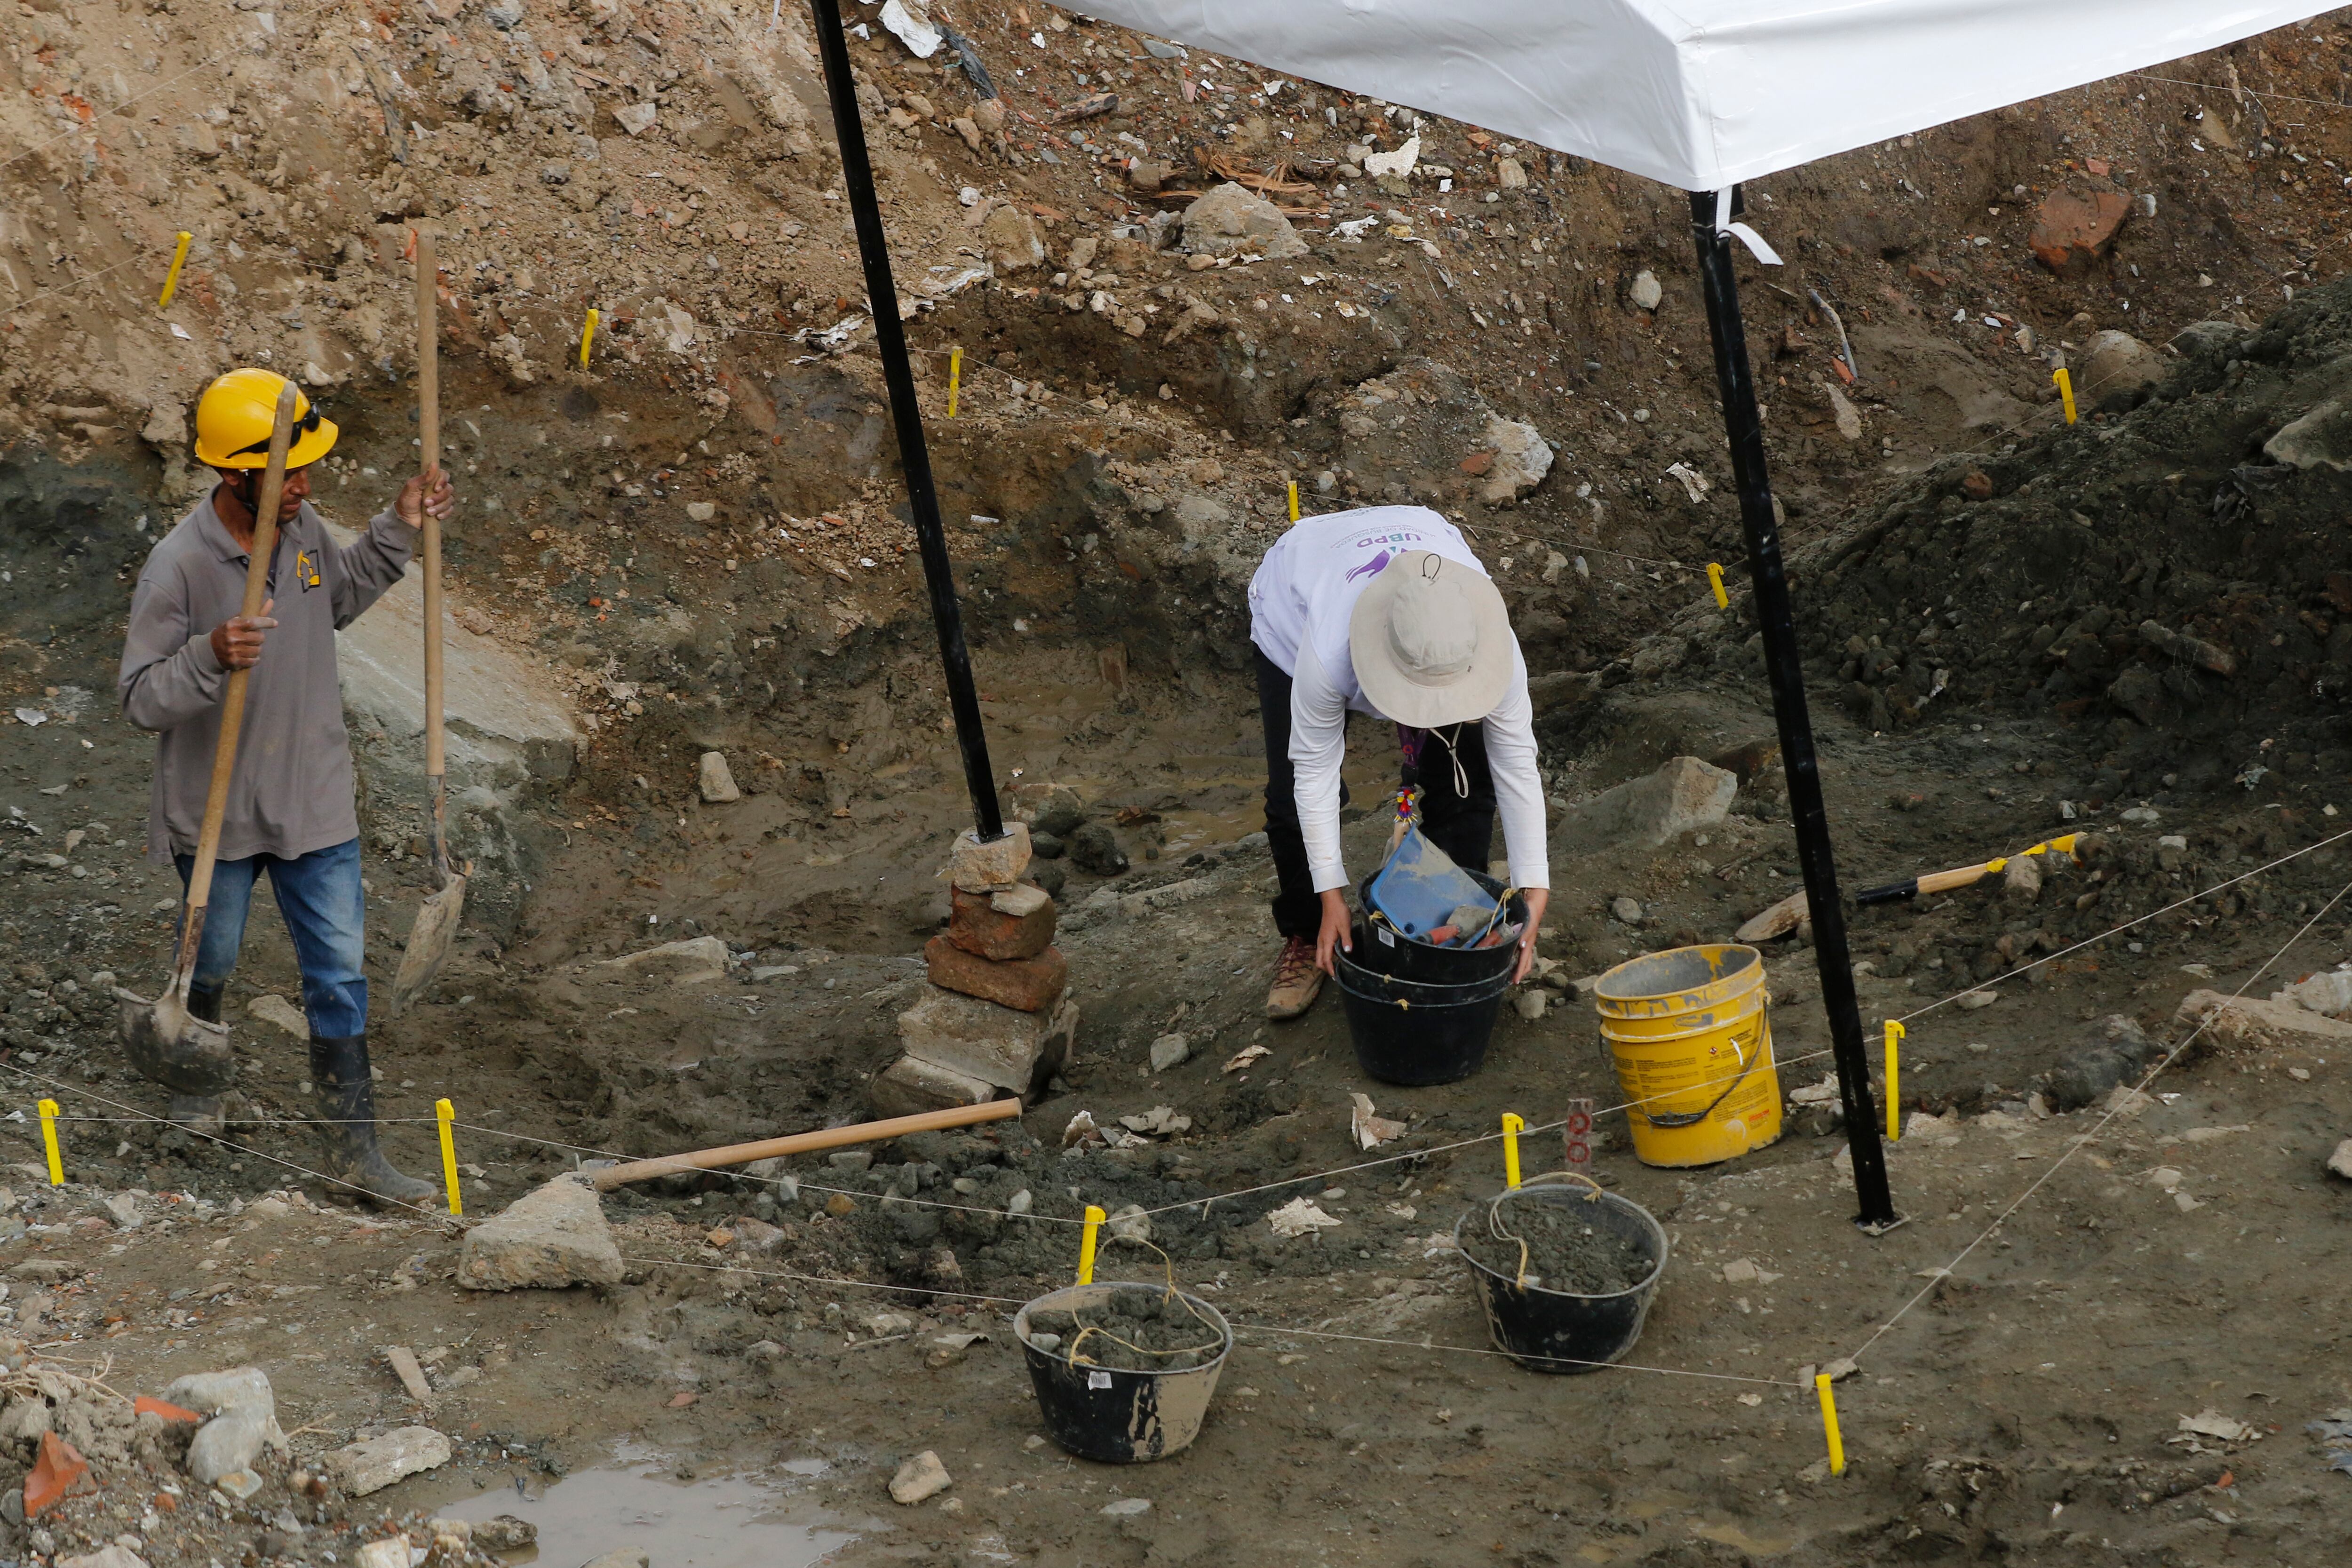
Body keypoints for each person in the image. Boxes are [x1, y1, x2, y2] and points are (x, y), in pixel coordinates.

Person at [119, 367, 452, 1205]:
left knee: (338, 973)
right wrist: (207, 655)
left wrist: (400, 526)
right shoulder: (179, 566)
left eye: (306, 471)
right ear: (230, 472)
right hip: (219, 811)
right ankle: (197, 1074)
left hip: (314, 799)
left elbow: (338, 596)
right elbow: (140, 699)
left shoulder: (302, 533)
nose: (302, 486)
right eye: (285, 473)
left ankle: (355, 1154)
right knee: (214, 955)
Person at [1248, 505, 1550, 1018]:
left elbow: (1516, 761)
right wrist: (1330, 895)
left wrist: (1534, 884)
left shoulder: (1487, 641)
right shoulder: (1328, 650)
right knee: (1288, 798)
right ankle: (1307, 932)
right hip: (1295, 603)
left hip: (1434, 609)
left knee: (1464, 780)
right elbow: (1313, 772)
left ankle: (1459, 920)